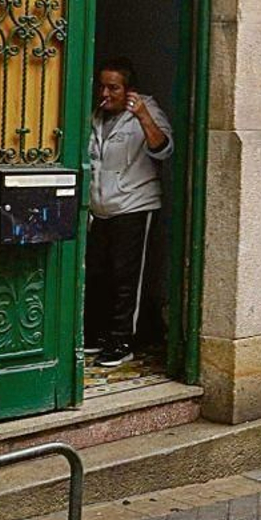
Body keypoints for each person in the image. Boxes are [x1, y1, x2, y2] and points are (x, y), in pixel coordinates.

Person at [86, 58, 173, 368]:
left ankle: (123, 341)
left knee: (127, 279)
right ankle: (98, 335)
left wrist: (143, 116)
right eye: (102, 87)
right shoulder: (95, 115)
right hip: (100, 208)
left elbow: (163, 149)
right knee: (98, 274)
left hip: (135, 205)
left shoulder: (147, 110)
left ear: (129, 90)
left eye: (113, 88)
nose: (105, 94)